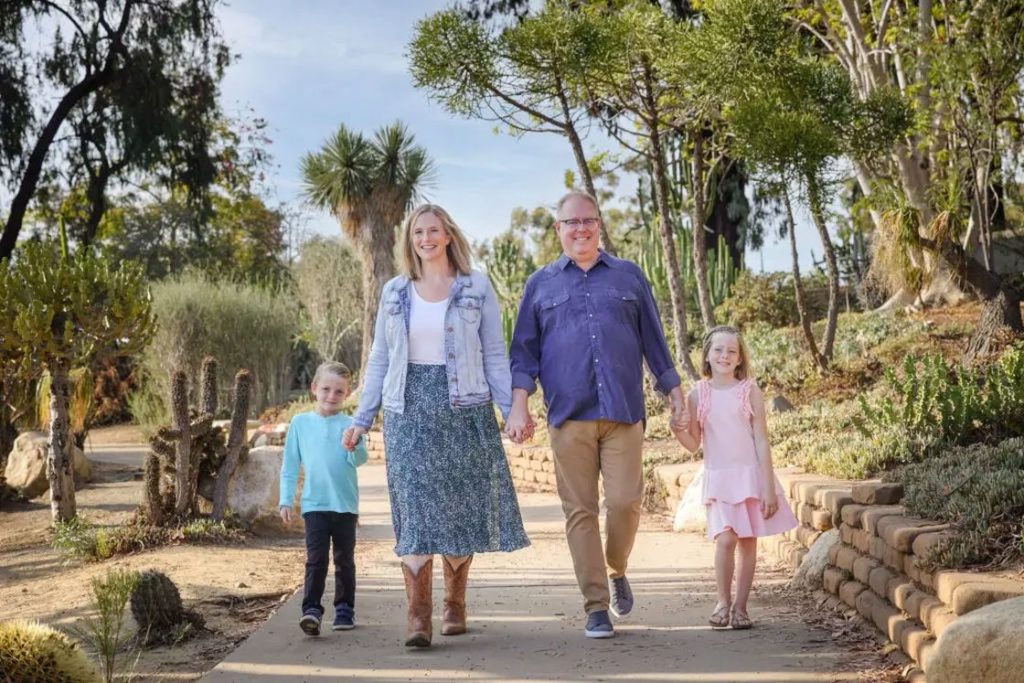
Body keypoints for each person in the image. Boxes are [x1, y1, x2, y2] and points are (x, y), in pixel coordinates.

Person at [343, 203, 529, 648]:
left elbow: (494, 355)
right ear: (410, 240)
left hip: (464, 408)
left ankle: (455, 606)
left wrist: (512, 409)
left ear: (448, 235)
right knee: (415, 512)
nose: (425, 238)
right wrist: (362, 417)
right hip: (408, 412)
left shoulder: (475, 287)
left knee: (460, 510)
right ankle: (418, 616)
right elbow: (380, 360)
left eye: (433, 230)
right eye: (418, 232)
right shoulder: (394, 291)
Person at [506, 190, 686, 639]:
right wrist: (519, 403)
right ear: (559, 230)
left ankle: (617, 566)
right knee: (580, 511)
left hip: (624, 411)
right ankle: (596, 605)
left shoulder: (628, 277)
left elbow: (654, 341)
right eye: (572, 222)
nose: (581, 228)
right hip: (569, 416)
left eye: (589, 220)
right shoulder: (540, 285)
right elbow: (523, 353)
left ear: (599, 224)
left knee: (626, 502)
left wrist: (675, 392)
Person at [670, 325, 798, 630]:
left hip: (750, 477)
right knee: (725, 539)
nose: (724, 356)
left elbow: (761, 440)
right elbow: (693, 444)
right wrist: (676, 430)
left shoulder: (749, 391)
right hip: (719, 478)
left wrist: (768, 486)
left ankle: (741, 608)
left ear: (740, 358)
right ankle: (722, 601)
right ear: (707, 355)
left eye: (731, 351)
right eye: (718, 350)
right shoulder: (697, 394)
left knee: (747, 543)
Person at [279, 361, 369, 636]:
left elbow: (360, 460)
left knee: (344, 560)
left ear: (347, 394)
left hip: (345, 505)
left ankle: (344, 610)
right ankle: (312, 611)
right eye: (327, 389)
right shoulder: (300, 423)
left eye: (339, 392)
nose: (332, 396)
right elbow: (291, 464)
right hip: (314, 504)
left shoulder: (352, 424)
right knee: (316, 559)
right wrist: (285, 499)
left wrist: (352, 447)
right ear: (315, 388)